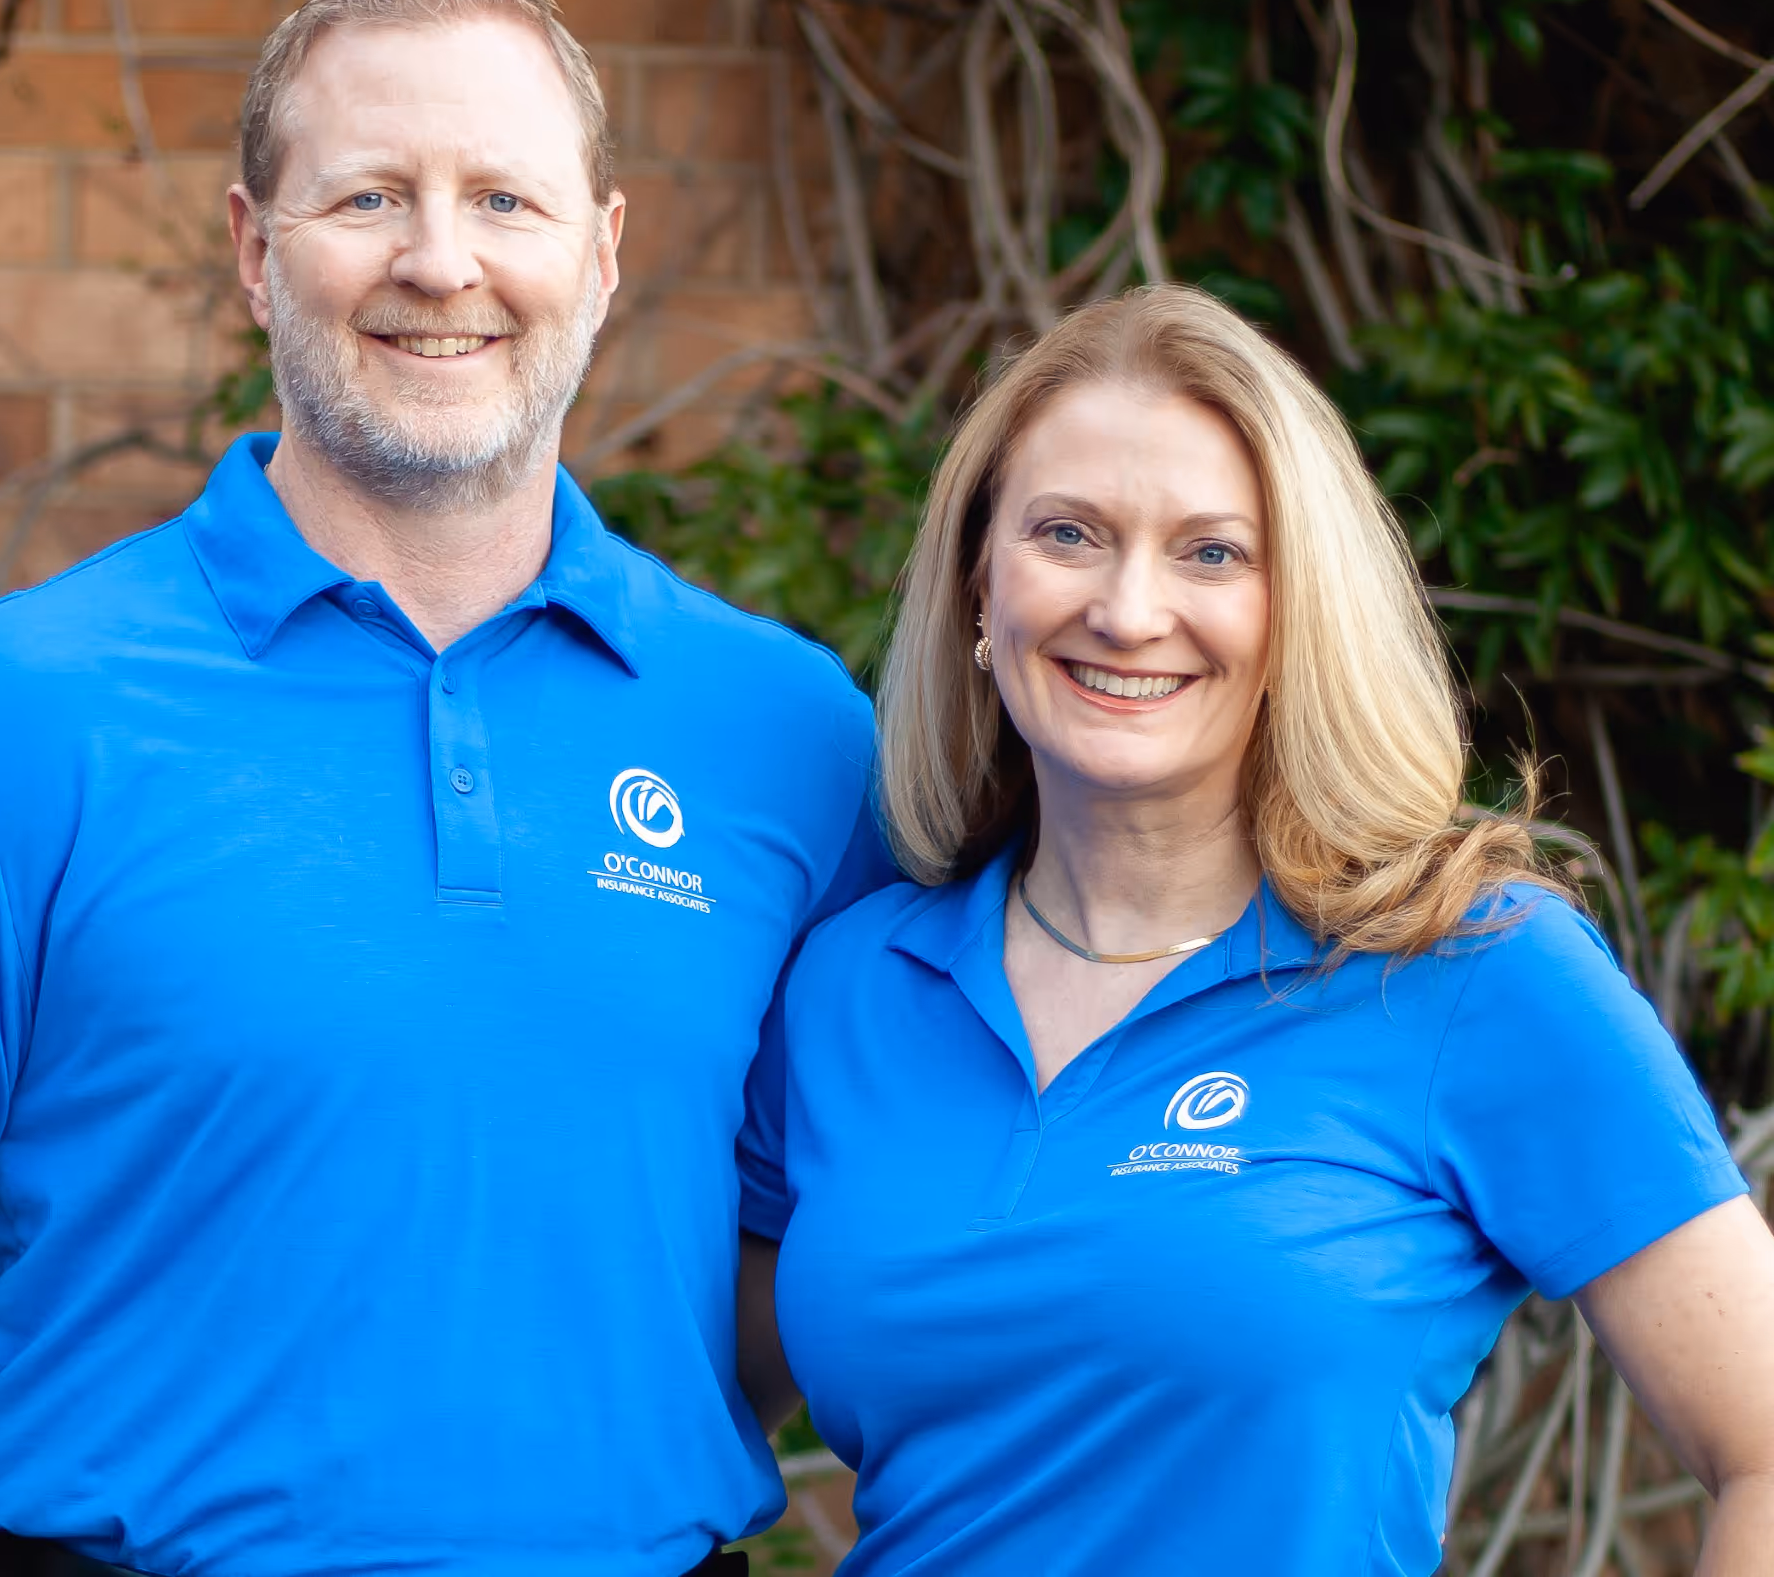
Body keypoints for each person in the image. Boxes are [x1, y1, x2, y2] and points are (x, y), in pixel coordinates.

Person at [0, 0, 886, 1577]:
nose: (440, 259)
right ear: (255, 251)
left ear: (604, 255)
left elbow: (848, 1242)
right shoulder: (1, 714)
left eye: (504, 198)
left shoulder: (794, 737)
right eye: (367, 195)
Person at [738, 284, 1774, 1574]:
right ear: (976, 594)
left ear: (1296, 615)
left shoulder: (1466, 971)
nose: (1127, 609)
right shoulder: (849, 984)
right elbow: (675, 1404)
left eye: (1212, 553)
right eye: (1068, 534)